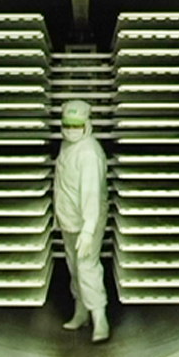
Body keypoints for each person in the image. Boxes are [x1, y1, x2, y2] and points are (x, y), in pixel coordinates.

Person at [54, 99, 110, 343]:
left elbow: (91, 193)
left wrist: (88, 230)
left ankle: (100, 319)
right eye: (67, 125)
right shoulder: (67, 146)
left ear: (87, 125)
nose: (71, 130)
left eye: (76, 126)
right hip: (69, 220)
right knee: (74, 268)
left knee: (87, 268)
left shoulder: (89, 153)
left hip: (88, 222)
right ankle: (81, 313)